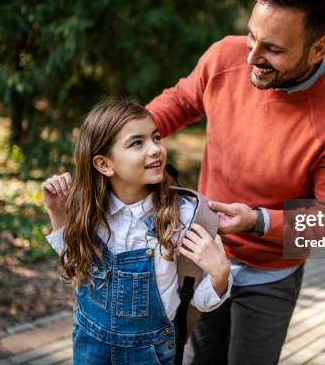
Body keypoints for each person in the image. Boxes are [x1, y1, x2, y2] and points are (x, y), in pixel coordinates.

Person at [146, 0, 325, 365]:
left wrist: (258, 221)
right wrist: (122, 138)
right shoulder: (225, 57)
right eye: (252, 36)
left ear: (319, 48)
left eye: (274, 49)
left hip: (271, 275)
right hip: (206, 252)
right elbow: (179, 103)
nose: (252, 57)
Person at [41, 99, 232, 365]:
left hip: (151, 355)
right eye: (137, 143)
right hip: (89, 348)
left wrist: (220, 274)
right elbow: (76, 263)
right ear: (104, 164)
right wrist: (57, 213)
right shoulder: (89, 210)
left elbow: (196, 300)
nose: (155, 149)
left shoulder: (184, 217)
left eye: (156, 138)